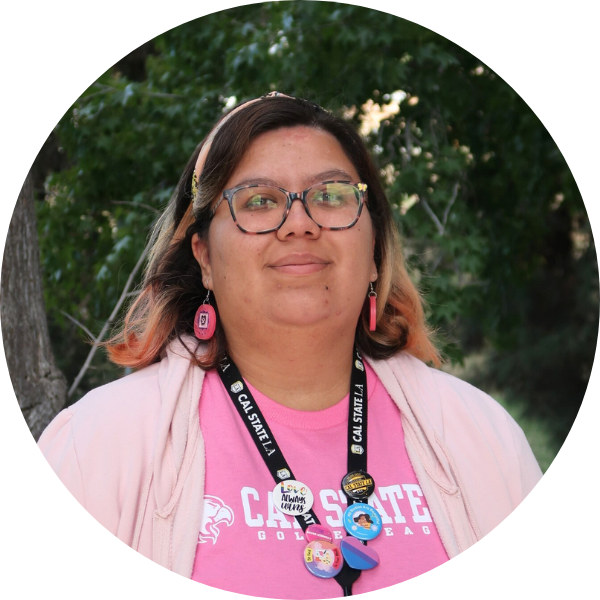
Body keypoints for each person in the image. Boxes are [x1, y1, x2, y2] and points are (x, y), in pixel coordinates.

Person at [38, 93, 542, 597]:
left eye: (331, 195)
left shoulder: (485, 439)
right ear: (205, 257)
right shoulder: (97, 447)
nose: (300, 223)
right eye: (259, 200)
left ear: (374, 250)